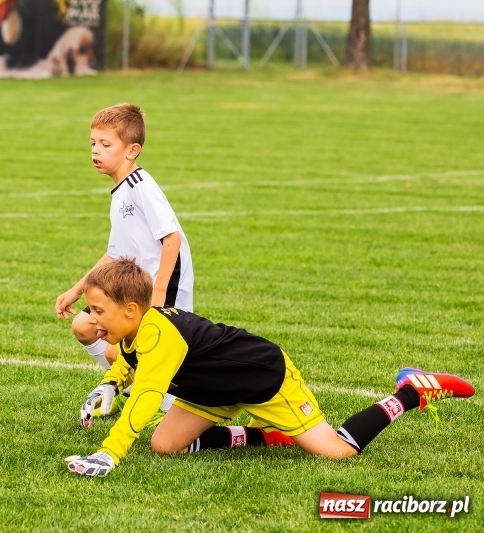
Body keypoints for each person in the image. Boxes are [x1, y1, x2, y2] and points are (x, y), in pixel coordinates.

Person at [65, 258, 475, 477]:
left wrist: (109, 454)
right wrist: (109, 382)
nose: (93, 320)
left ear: (132, 309)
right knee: (166, 445)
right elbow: (134, 364)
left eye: (99, 310)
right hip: (211, 392)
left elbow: (147, 397)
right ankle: (275, 437)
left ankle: (410, 391)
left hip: (262, 378)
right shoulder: (136, 329)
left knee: (337, 452)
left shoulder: (158, 333)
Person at [55, 103, 194, 415]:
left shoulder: (141, 186)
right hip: (133, 291)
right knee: (84, 325)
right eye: (93, 143)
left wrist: (159, 293)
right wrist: (75, 291)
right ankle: (129, 388)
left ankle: (173, 407)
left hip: (161, 289)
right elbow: (114, 253)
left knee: (154, 355)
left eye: (106, 145)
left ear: (132, 151)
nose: (96, 151)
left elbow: (172, 238)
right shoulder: (120, 194)